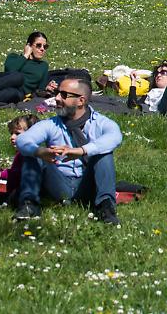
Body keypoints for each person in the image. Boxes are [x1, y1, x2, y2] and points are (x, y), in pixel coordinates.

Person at [13, 76, 124, 224]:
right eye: (58, 93)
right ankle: (29, 205)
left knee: (103, 154)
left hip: (88, 184)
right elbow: (23, 140)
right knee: (31, 153)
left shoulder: (101, 123)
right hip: (58, 182)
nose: (57, 98)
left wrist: (81, 151)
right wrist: (41, 152)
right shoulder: (51, 124)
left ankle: (106, 208)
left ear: (81, 101)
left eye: (64, 95)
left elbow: (115, 137)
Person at [0, 32, 54, 104]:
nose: (42, 49)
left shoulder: (43, 66)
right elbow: (10, 71)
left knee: (14, 93)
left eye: (45, 46)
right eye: (38, 45)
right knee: (18, 76)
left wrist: (47, 88)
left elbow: (39, 89)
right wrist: (25, 55)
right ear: (29, 46)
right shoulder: (14, 57)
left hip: (17, 92)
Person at [0, 114, 37, 206]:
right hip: (17, 188)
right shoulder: (20, 153)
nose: (12, 137)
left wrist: (1, 174)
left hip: (20, 190)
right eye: (11, 134)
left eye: (17, 134)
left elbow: (16, 173)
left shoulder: (27, 155)